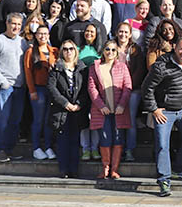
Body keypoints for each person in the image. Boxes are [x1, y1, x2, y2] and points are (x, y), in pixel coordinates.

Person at [142, 37, 182, 197]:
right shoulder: (161, 66)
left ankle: (179, 168)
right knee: (162, 145)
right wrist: (154, 109)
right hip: (164, 111)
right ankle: (164, 180)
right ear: (174, 47)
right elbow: (146, 88)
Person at [0, 13, 28, 163]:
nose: (16, 27)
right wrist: (2, 82)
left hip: (20, 87)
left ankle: (10, 149)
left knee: (15, 121)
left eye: (18, 24)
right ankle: (0, 150)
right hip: (5, 87)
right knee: (3, 119)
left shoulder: (22, 42)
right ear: (7, 24)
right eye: (13, 24)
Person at [88, 40, 132, 179]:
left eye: (113, 50)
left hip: (119, 110)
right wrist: (100, 105)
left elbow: (127, 87)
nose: (110, 52)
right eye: (107, 49)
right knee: (105, 139)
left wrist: (122, 105)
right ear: (103, 51)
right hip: (103, 111)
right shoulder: (95, 67)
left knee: (118, 139)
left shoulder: (122, 67)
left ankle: (114, 169)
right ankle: (105, 168)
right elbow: (92, 88)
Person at [48, 40, 89, 178]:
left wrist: (78, 104)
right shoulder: (56, 68)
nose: (68, 52)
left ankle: (74, 169)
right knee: (63, 140)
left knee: (75, 140)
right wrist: (65, 103)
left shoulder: (82, 68)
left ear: (75, 51)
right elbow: (52, 88)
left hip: (77, 110)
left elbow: (85, 90)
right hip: (62, 110)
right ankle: (64, 169)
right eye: (65, 49)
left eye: (71, 49)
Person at [114, 21, 146, 162]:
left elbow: (140, 70)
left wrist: (129, 86)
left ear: (130, 34)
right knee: (117, 120)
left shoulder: (135, 49)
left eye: (126, 32)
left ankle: (129, 150)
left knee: (130, 120)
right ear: (117, 33)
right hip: (114, 89)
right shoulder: (111, 48)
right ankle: (118, 149)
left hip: (132, 89)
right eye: (121, 31)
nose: (123, 34)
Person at [24, 25, 57, 161]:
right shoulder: (31, 51)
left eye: (45, 33)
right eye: (40, 34)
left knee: (48, 119)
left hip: (51, 89)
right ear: (36, 36)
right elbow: (28, 72)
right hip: (38, 88)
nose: (43, 36)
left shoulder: (55, 51)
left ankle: (48, 146)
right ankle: (36, 147)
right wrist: (32, 90)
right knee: (38, 119)